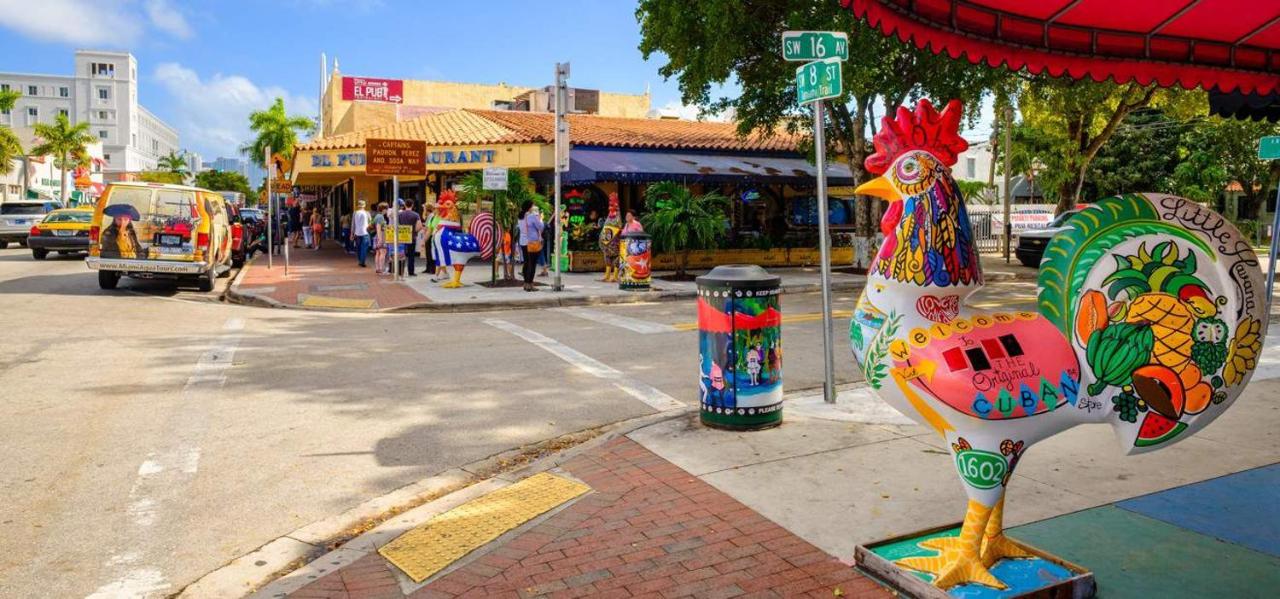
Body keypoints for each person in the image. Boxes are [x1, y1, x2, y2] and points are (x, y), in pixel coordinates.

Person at [518, 201, 545, 291]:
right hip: (532, 242)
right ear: (529, 207)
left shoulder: (520, 216)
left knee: (526, 263)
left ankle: (525, 283)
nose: (533, 207)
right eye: (532, 206)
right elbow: (540, 227)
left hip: (523, 241)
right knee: (532, 264)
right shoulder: (532, 216)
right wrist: (540, 218)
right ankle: (530, 284)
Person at [396, 198, 422, 277]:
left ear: (405, 205)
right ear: (412, 205)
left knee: (401, 254)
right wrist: (415, 231)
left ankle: (400, 271)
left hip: (401, 236)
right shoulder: (416, 214)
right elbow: (419, 226)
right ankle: (411, 271)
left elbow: (396, 225)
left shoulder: (400, 214)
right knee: (411, 256)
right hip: (412, 237)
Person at [350, 200, 371, 267]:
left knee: (358, 248)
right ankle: (362, 261)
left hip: (357, 233)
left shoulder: (355, 213)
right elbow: (370, 222)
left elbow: (353, 224)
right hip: (365, 233)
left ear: (358, 206)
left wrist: (351, 233)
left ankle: (360, 260)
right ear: (364, 205)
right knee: (364, 248)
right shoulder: (367, 213)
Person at [372, 202, 388, 274]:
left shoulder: (377, 216)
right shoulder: (380, 217)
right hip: (381, 236)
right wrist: (380, 239)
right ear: (383, 209)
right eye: (386, 209)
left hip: (377, 236)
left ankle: (377, 268)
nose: (387, 210)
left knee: (378, 253)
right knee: (383, 253)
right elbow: (378, 227)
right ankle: (381, 268)